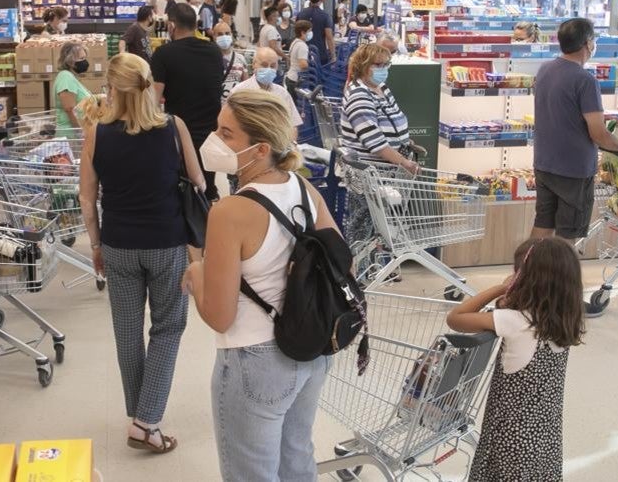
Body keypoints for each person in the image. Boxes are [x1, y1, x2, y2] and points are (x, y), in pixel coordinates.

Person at [182, 90, 338, 480]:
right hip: (311, 351)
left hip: (254, 360)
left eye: (226, 133)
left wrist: (197, 272)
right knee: (297, 458)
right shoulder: (306, 190)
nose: (214, 141)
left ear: (260, 148)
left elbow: (219, 315)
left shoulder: (231, 211)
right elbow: (340, 259)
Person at [79, 54, 204, 455]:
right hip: (167, 243)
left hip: (118, 244)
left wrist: (96, 246)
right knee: (168, 327)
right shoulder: (173, 128)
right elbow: (199, 181)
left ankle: (139, 413)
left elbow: (86, 198)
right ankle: (146, 421)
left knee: (127, 332)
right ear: (150, 85)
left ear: (111, 89)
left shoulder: (97, 133)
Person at [447, 238, 584, 481]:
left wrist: (500, 289)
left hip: (509, 440)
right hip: (544, 436)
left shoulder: (514, 321)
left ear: (525, 279)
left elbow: (456, 318)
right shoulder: (566, 321)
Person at [531, 18, 618, 241]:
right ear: (588, 43)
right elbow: (598, 134)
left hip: (544, 163)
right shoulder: (585, 80)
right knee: (567, 237)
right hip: (573, 170)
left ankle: (525, 274)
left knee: (542, 225)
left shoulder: (545, 70)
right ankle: (563, 276)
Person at [341, 44, 418, 247]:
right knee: (364, 224)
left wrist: (404, 140)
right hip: (368, 172)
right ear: (363, 65)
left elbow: (393, 120)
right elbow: (375, 143)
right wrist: (404, 163)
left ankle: (376, 265)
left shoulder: (381, 88)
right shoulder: (359, 95)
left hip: (384, 171)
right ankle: (359, 269)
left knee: (380, 224)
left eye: (386, 64)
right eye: (377, 65)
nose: (383, 69)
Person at [151, 2, 224, 202]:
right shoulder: (214, 51)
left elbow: (154, 100)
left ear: (171, 26)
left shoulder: (163, 54)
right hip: (211, 131)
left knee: (182, 188)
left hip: (180, 134)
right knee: (207, 187)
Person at [232, 47, 303, 129]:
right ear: (254, 64)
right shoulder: (239, 92)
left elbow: (293, 125)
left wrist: (290, 141)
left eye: (273, 66)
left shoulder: (282, 94)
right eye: (264, 65)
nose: (269, 69)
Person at [53, 41, 92, 130]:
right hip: (71, 133)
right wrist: (80, 131)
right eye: (81, 58)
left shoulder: (70, 77)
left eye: (85, 58)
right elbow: (70, 109)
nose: (84, 62)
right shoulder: (65, 77)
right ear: (70, 60)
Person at [296, 0, 334, 66]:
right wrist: (333, 56)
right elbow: (329, 37)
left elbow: (296, 34)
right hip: (320, 55)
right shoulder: (325, 16)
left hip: (303, 53)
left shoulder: (301, 14)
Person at [213, 21, 247, 102]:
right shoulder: (209, 59)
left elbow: (246, 83)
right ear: (214, 36)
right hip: (216, 106)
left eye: (227, 33)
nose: (224, 36)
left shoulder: (240, 58)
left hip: (235, 105)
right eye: (220, 34)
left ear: (231, 35)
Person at [284, 19, 312, 99]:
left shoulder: (295, 42)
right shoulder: (302, 46)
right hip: (296, 80)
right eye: (309, 31)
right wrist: (311, 64)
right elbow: (303, 64)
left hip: (290, 76)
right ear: (303, 32)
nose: (311, 33)